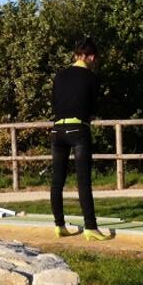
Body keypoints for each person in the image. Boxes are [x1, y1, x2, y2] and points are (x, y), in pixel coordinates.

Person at [50, 38, 111, 241]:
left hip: (57, 129)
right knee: (83, 181)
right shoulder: (91, 78)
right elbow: (93, 109)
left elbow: (55, 103)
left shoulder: (59, 76)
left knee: (57, 181)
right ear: (91, 57)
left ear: (76, 54)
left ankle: (59, 225)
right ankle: (90, 227)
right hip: (78, 130)